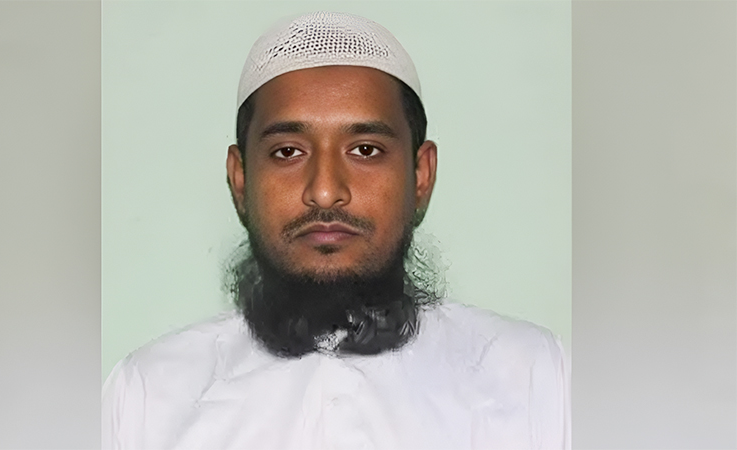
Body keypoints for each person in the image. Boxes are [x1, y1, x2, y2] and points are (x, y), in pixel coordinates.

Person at [103, 11, 569, 450]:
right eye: (288, 152)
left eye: (365, 150)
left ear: (421, 175)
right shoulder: (148, 398)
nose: (325, 193)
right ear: (241, 179)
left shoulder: (535, 379)